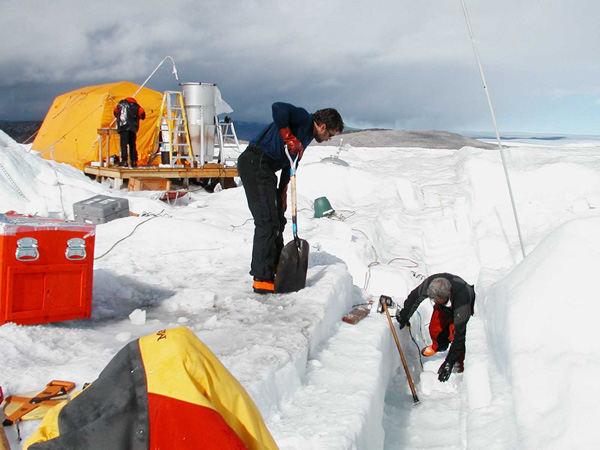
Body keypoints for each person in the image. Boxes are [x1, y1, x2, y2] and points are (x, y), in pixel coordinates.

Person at [237, 102, 344, 294]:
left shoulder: (306, 136)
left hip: (267, 169)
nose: (328, 139)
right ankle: (262, 277)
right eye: (330, 135)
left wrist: (282, 191)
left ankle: (276, 264)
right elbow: (278, 107)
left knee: (278, 219)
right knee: (266, 221)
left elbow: (290, 164)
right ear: (322, 126)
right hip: (255, 162)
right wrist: (288, 137)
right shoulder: (303, 118)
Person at [395, 273, 475, 382]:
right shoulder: (430, 285)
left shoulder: (462, 300)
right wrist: (404, 316)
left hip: (463, 306)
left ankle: (459, 366)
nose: (434, 302)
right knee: (435, 327)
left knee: (454, 333)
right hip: (446, 305)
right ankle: (438, 346)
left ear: (448, 294)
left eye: (437, 300)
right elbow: (414, 297)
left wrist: (448, 362)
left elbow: (460, 336)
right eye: (433, 300)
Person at [113, 97, 146, 167]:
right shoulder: (137, 106)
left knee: (123, 144)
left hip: (123, 127)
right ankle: (134, 161)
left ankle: (124, 161)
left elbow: (115, 112)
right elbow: (142, 115)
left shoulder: (121, 104)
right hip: (133, 128)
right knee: (132, 145)